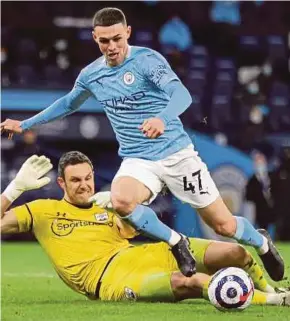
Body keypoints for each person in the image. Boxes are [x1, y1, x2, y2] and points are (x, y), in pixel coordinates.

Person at [0, 7, 284, 280]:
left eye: (117, 39)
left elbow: (182, 94)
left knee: (224, 225)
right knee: (122, 200)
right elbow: (68, 103)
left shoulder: (148, 60)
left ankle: (261, 242)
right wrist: (24, 124)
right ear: (94, 38)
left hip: (176, 154)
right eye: (104, 41)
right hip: (138, 160)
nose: (111, 46)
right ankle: (176, 241)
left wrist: (162, 118)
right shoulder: (91, 75)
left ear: (128, 32)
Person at [1, 152, 289, 306]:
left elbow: (136, 227)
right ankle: (275, 301)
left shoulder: (105, 203)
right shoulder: (41, 211)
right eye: (75, 180)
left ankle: (270, 288)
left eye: (88, 178)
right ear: (61, 183)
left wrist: (121, 209)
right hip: (110, 279)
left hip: (145, 254)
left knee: (236, 253)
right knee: (189, 282)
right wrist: (14, 189)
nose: (84, 185)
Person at [245, 151, 275, 231]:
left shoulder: (273, 176)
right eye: (257, 163)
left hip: (273, 211)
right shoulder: (252, 181)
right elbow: (249, 198)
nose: (260, 165)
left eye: (261, 162)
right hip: (258, 212)